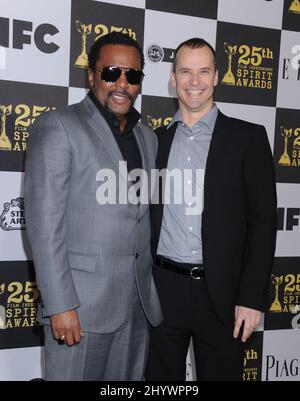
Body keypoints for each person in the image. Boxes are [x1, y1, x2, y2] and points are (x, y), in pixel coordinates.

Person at [24, 32, 162, 381]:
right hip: (79, 310)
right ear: (91, 75)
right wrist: (60, 305)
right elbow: (43, 225)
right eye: (111, 72)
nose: (122, 84)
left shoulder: (148, 137)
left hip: (136, 307)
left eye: (133, 76)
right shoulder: (59, 126)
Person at [146, 38, 277, 381]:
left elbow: (262, 227)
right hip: (162, 292)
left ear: (217, 75)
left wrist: (252, 297)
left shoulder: (248, 138)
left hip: (223, 293)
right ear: (172, 77)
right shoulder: (152, 142)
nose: (194, 81)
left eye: (204, 71)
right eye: (185, 71)